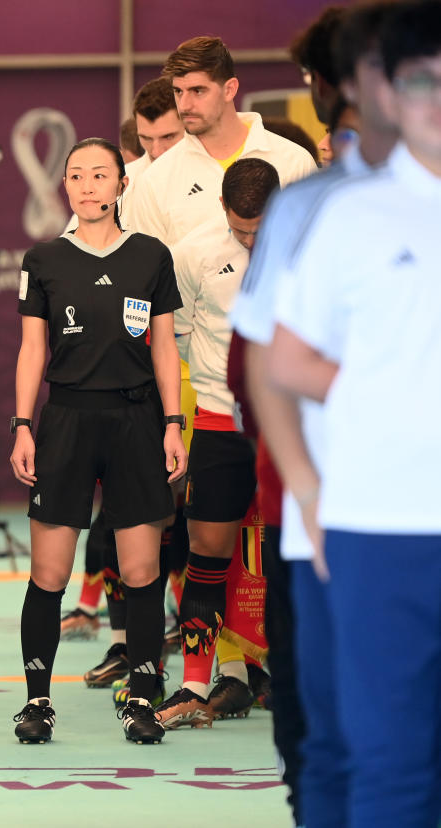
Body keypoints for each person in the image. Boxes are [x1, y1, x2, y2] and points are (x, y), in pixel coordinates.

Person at [268, 6, 441, 824]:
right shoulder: (339, 213)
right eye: (419, 82)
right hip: (379, 523)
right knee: (382, 759)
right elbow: (280, 363)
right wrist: (306, 483)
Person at [239, 3, 405, 823]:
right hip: (324, 521)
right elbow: (265, 369)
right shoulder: (308, 213)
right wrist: (305, 482)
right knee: (334, 738)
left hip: (409, 515)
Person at [9, 137, 186, 746]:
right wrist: (23, 425)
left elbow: (164, 346)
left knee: (141, 570)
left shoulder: (150, 257)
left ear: (120, 185)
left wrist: (172, 422)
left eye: (99, 175)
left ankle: (141, 696)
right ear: (65, 187)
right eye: (76, 176)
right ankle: (36, 702)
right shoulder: (44, 259)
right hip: (65, 423)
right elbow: (33, 350)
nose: (87, 186)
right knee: (50, 573)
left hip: (137, 422)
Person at [153, 158, 279, 728]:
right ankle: (194, 685)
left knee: (297, 556)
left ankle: (300, 679)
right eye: (240, 229)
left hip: (291, 429)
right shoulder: (196, 253)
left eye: (261, 229)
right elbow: (176, 336)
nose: (250, 241)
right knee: (206, 551)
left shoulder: (312, 249)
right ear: (222, 211)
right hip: (222, 424)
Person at [62, 76, 188, 645]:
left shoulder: (198, 189)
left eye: (169, 138)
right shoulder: (84, 226)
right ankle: (119, 638)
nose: (158, 151)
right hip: (119, 394)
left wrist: (172, 417)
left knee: (187, 523)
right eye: (147, 140)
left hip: (188, 381)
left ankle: (203, 645)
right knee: (118, 519)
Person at [125, 36, 317, 246]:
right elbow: (150, 274)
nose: (185, 105)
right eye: (178, 91)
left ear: (230, 89)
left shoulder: (293, 161)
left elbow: (315, 252)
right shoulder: (155, 179)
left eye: (198, 91)